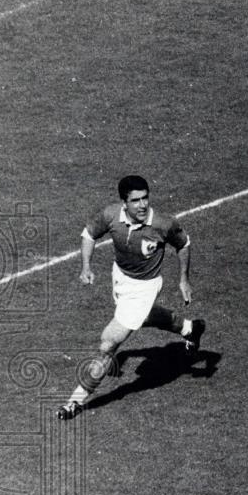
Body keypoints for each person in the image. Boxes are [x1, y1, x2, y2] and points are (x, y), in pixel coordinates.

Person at [57, 175, 205, 419]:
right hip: (121, 278)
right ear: (123, 202)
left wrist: (184, 279)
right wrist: (86, 266)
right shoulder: (111, 215)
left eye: (145, 198)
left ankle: (73, 402)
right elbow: (88, 234)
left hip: (145, 287)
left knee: (108, 344)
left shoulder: (162, 224)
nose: (142, 205)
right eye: (135, 200)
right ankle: (190, 328)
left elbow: (184, 244)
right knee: (145, 318)